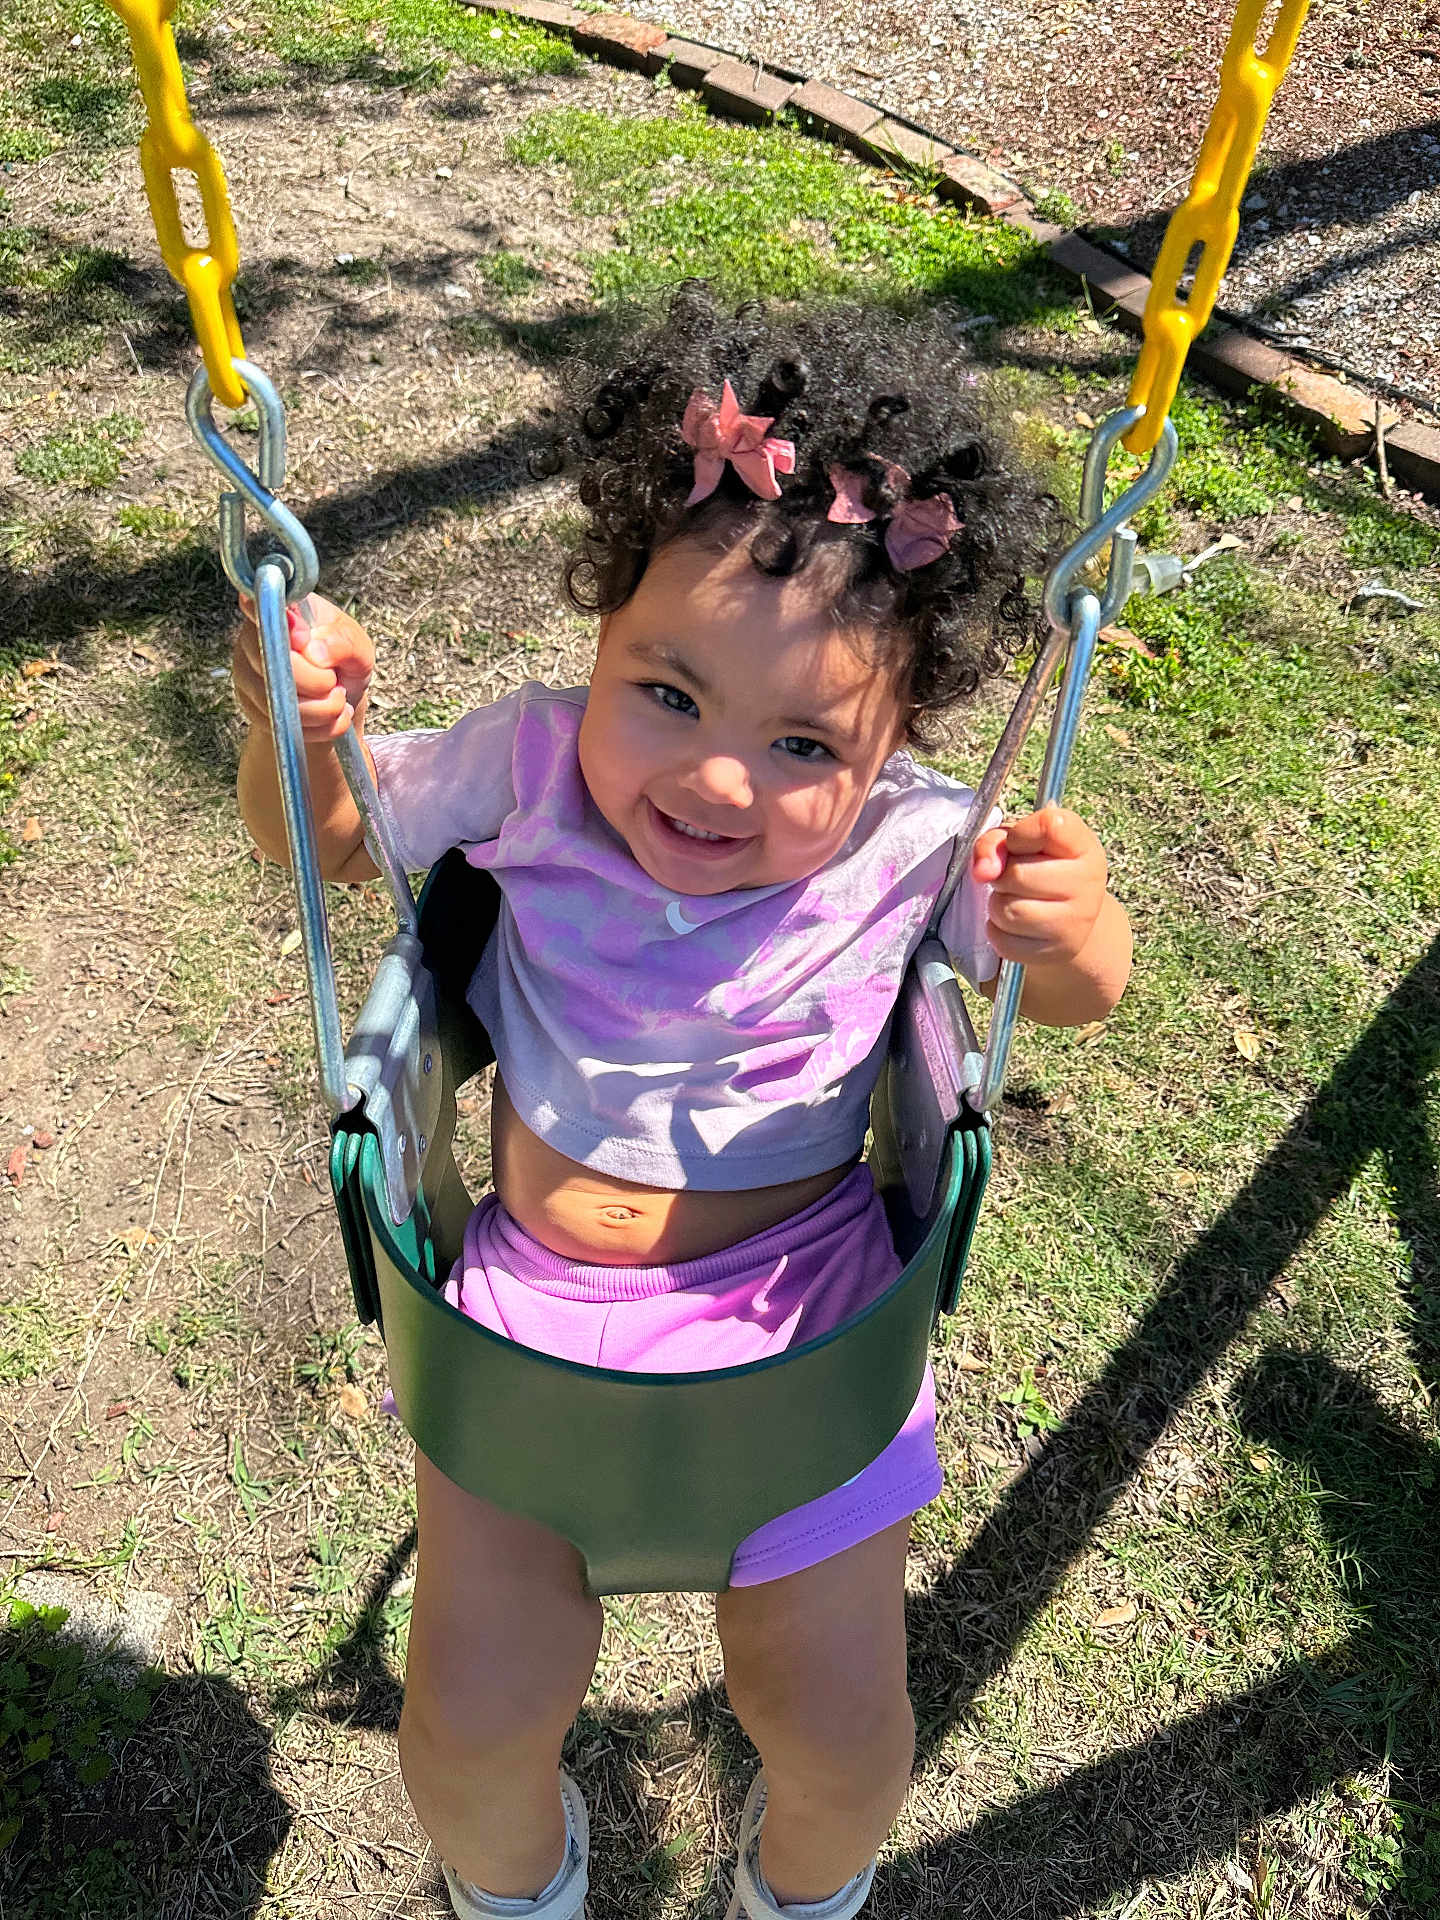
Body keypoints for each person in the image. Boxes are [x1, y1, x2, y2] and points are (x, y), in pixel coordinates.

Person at [233, 285, 1131, 1920]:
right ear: (597, 633)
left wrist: (1076, 938)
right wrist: (299, 738)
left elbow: (1061, 993)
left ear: (899, 739)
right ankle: (520, 1897)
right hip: (524, 1332)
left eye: (804, 741)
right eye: (667, 695)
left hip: (813, 1335)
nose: (721, 780)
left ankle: (796, 1902)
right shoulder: (521, 769)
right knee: (467, 1727)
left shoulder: (918, 848)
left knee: (847, 1738)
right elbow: (335, 842)